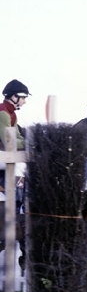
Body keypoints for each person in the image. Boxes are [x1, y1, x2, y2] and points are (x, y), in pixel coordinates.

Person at [0, 79, 31, 211]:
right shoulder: (3, 113)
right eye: (23, 98)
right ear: (14, 97)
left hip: (3, 153)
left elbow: (18, 137)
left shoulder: (13, 114)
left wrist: (28, 142)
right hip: (2, 153)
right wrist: (31, 142)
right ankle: (17, 203)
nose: (24, 101)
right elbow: (9, 141)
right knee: (20, 164)